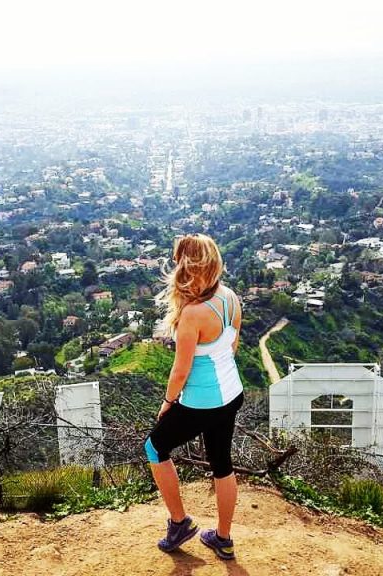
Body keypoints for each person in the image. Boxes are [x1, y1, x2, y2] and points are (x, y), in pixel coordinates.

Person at [144, 233, 244, 560]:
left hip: (202, 402)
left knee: (155, 447)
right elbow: (232, 347)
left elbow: (180, 371)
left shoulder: (193, 313)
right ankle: (223, 539)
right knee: (222, 464)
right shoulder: (230, 297)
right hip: (232, 393)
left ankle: (179, 522)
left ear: (185, 266)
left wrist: (168, 402)